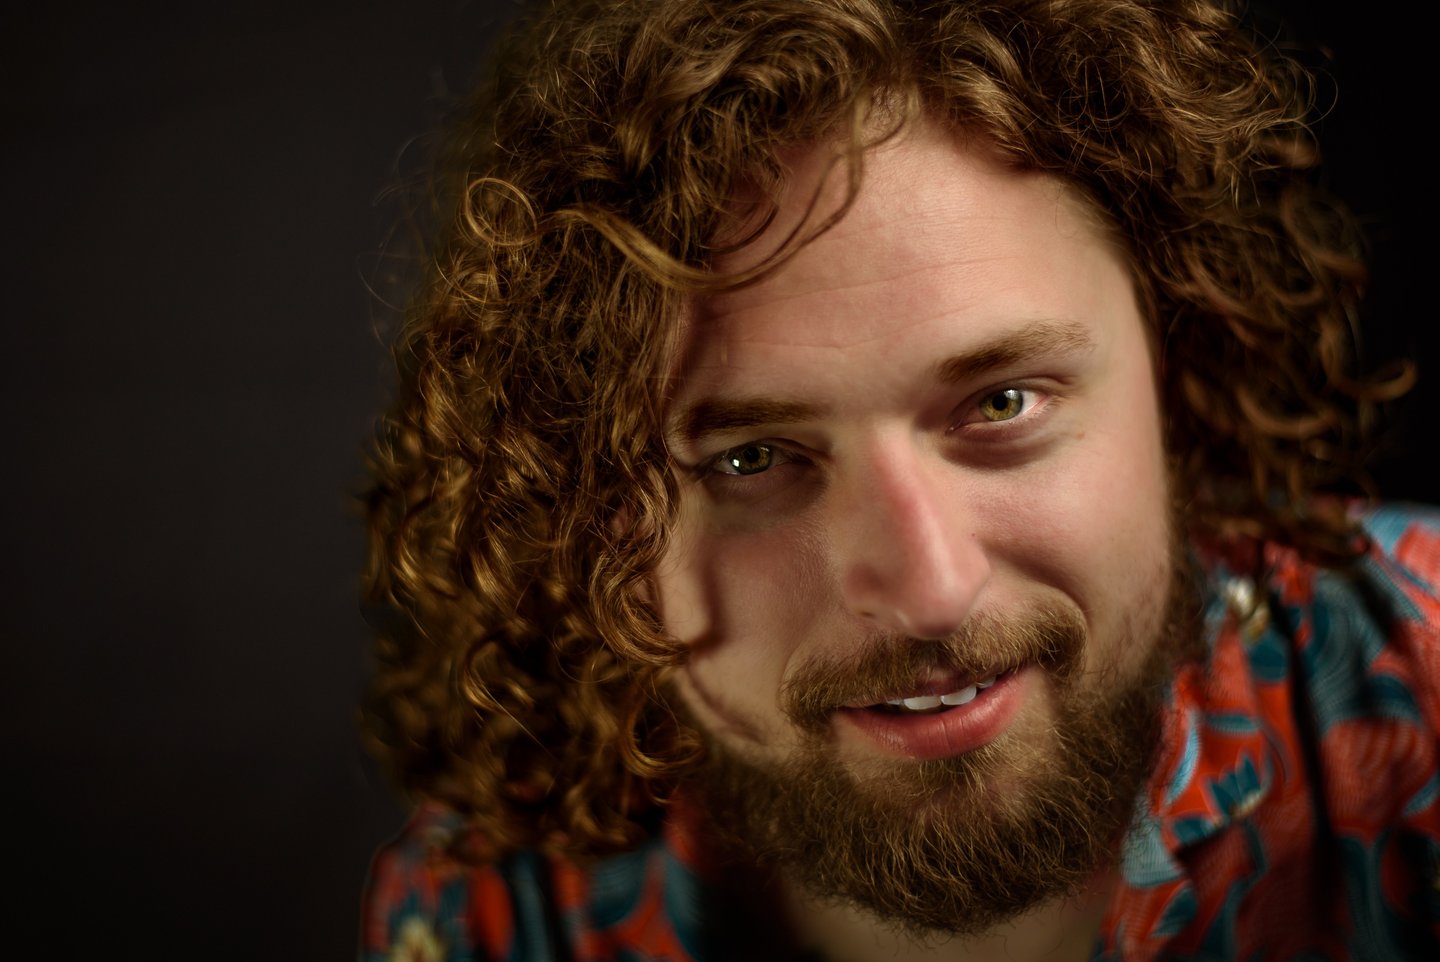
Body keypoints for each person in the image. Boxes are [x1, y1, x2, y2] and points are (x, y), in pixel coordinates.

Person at [358, 0, 1440, 958]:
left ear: (1179, 365)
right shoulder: (499, 909)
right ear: (587, 514)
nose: (930, 588)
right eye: (751, 459)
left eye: (1004, 402)